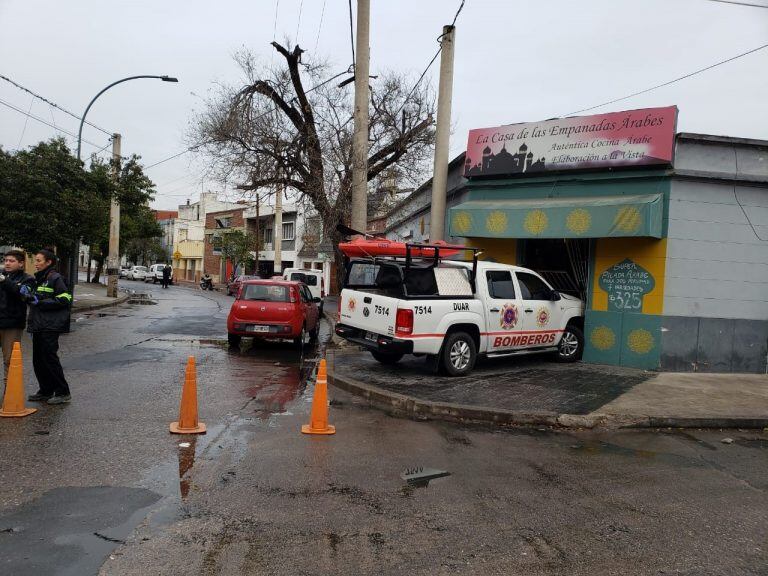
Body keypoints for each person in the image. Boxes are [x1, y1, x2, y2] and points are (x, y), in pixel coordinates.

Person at [27, 249, 72, 405]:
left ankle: (63, 392)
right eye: (36, 260)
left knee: (49, 358)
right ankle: (45, 390)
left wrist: (41, 302)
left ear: (49, 262)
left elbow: (65, 298)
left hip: (50, 326)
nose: (36, 264)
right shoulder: (39, 278)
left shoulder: (55, 278)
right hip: (39, 324)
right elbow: (37, 298)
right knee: (38, 360)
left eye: (39, 261)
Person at [0, 250, 34, 386]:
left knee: (9, 359)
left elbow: (23, 294)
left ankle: (10, 392)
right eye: (5, 260)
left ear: (21, 264)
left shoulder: (28, 279)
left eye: (11, 261)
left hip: (12, 324)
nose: (7, 263)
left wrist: (4, 280)